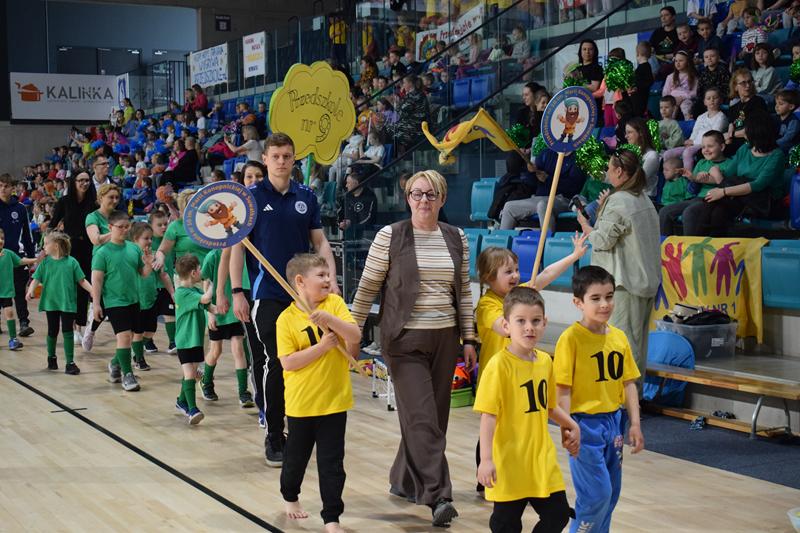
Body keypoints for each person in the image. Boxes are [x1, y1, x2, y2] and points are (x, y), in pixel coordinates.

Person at [350, 170, 475, 527]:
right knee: (421, 417)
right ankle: (438, 496)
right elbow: (367, 288)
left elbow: (464, 291)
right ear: (407, 198)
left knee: (434, 419)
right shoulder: (390, 236)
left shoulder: (456, 237)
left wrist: (469, 338)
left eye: (431, 194)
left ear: (442, 199)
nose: (424, 200)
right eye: (417, 194)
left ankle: (404, 479)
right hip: (404, 341)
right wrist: (352, 333)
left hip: (445, 338)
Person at [229, 133, 339, 466]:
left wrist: (331, 280)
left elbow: (320, 243)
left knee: (310, 360)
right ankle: (274, 435)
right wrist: (237, 291)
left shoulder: (306, 196)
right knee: (278, 362)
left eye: (287, 156)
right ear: (265, 159)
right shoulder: (249, 198)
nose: (281, 161)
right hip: (267, 295)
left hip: (304, 296)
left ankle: (303, 426)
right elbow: (237, 248)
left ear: (294, 159)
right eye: (275, 156)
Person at [475, 286, 580, 533]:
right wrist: (486, 460)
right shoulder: (498, 366)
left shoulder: (544, 361)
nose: (529, 327)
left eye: (535, 321)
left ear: (545, 323)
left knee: (558, 515)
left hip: (541, 460)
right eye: (520, 321)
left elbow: (549, 406)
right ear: (506, 325)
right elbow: (488, 417)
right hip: (510, 462)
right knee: (506, 524)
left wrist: (571, 423)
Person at [554, 265, 645, 533]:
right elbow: (563, 389)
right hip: (584, 426)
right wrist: (567, 427)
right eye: (595, 298)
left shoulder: (619, 337)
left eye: (609, 296)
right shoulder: (570, 339)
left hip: (614, 423)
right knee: (596, 495)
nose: (604, 304)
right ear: (578, 303)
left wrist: (635, 424)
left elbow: (628, 383)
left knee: (611, 493)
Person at [276, 253, 360, 533]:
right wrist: (322, 348)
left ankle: (332, 517)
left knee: (332, 463)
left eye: (328, 275)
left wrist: (330, 319)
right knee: (295, 459)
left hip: (335, 401)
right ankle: (290, 496)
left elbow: (355, 336)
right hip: (301, 403)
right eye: (321, 275)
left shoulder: (334, 304)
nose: (328, 280)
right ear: (300, 281)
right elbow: (289, 363)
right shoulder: (286, 319)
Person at [577, 149, 660, 379]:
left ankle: (623, 398)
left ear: (620, 171)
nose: (607, 172)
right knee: (637, 347)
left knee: (621, 347)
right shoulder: (643, 198)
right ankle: (634, 396)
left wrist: (586, 227)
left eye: (609, 169)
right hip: (644, 280)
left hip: (625, 284)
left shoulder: (619, 200)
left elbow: (602, 240)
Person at [686, 113, 787, 235]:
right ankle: (703, 243)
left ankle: (702, 241)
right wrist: (705, 175)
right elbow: (727, 175)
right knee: (716, 210)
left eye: (746, 129)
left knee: (714, 208)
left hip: (764, 201)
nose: (743, 132)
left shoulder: (777, 155)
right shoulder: (745, 149)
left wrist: (723, 192)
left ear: (757, 131)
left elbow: (758, 185)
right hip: (740, 196)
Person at [91, 210, 152, 392]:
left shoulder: (134, 248)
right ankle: (128, 374)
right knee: (124, 337)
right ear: (110, 227)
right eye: (121, 227)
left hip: (133, 300)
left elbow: (143, 274)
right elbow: (97, 280)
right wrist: (96, 304)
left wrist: (149, 263)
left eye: (127, 227)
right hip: (114, 302)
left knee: (131, 337)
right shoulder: (102, 253)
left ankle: (115, 363)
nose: (125, 230)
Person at [27, 231, 92, 374]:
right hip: (51, 303)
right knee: (52, 330)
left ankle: (70, 363)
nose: (43, 247)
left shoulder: (72, 262)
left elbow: (82, 280)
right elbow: (36, 279)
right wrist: (30, 291)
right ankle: (51, 358)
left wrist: (92, 290)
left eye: (46, 244)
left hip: (67, 303)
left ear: (56, 246)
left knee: (68, 331)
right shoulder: (45, 263)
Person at [200, 248, 255, 408]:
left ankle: (243, 392)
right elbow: (206, 282)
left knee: (239, 350)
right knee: (215, 351)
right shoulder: (213, 256)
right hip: (217, 309)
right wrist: (209, 311)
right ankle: (206, 382)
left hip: (235, 309)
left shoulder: (244, 254)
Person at [659, 130, 729, 235]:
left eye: (710, 146)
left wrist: (710, 177)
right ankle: (666, 244)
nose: (706, 150)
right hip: (697, 199)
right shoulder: (701, 163)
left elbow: (727, 186)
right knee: (664, 212)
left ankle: (689, 245)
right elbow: (692, 190)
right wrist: (694, 180)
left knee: (689, 213)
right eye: (703, 147)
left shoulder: (730, 164)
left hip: (714, 201)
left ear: (722, 147)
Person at [499, 148, 587, 230]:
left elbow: (574, 187)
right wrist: (530, 171)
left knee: (543, 205)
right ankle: (500, 241)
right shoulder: (546, 153)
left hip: (563, 199)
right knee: (509, 207)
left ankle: (546, 240)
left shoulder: (578, 158)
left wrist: (548, 179)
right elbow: (531, 183)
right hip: (539, 198)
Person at [173, 254, 215, 425]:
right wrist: (214, 283)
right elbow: (206, 299)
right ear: (193, 273)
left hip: (196, 340)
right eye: (199, 269)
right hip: (184, 340)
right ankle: (192, 410)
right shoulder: (181, 293)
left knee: (191, 374)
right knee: (190, 374)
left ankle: (181, 401)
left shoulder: (195, 291)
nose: (201, 272)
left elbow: (211, 307)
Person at [81, 182, 122, 351]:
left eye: (117, 197)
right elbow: (95, 240)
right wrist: (116, 232)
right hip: (102, 263)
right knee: (103, 302)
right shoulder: (93, 217)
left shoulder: (119, 215)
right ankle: (91, 330)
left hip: (120, 260)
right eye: (111, 197)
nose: (115, 200)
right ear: (101, 198)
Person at [130, 222, 173, 371]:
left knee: (150, 331)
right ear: (135, 239)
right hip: (135, 301)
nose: (149, 241)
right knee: (138, 332)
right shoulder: (130, 255)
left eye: (151, 238)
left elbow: (164, 275)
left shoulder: (154, 256)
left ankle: (135, 350)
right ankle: (139, 359)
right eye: (146, 238)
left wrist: (172, 293)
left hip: (151, 300)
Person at [0, 173, 35, 337]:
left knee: (20, 291)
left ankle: (24, 323)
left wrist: (31, 257)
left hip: (17, 257)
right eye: (0, 186)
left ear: (12, 188)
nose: (2, 189)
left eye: (6, 186)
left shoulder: (20, 208)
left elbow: (27, 234)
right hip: (0, 259)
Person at [667, 87, 728, 171]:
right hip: (694, 144)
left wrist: (693, 142)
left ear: (721, 100)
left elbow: (714, 137)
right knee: (668, 154)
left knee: (687, 152)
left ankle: (688, 176)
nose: (712, 100)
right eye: (708, 98)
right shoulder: (701, 117)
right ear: (704, 102)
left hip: (706, 145)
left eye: (715, 98)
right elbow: (695, 132)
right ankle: (672, 177)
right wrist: (691, 140)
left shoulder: (721, 117)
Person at [0, 228, 38, 350]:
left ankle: (13, 339)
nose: (1, 241)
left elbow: (21, 261)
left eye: (2, 238)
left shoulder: (8, 253)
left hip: (5, 291)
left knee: (10, 313)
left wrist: (36, 259)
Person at [147, 210, 177, 353]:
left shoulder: (170, 240)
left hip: (167, 285)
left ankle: (172, 342)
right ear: (150, 226)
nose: (164, 227)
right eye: (159, 225)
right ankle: (148, 341)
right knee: (150, 317)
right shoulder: (147, 242)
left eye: (165, 224)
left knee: (170, 314)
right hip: (150, 287)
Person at [724, 68, 768, 156]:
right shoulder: (733, 108)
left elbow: (752, 131)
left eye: (750, 82)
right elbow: (730, 132)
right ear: (735, 87)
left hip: (751, 144)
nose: (748, 86)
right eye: (743, 83)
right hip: (735, 145)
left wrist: (731, 134)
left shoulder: (758, 102)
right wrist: (728, 137)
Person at [384, 74, 431, 156]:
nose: (403, 85)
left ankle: (401, 153)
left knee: (389, 127)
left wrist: (393, 103)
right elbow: (401, 111)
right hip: (409, 121)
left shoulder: (416, 95)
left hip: (417, 124)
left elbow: (401, 112)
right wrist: (395, 103)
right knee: (387, 125)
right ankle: (399, 152)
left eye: (404, 82)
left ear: (410, 84)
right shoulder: (410, 95)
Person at [623, 118, 660, 198]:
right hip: (629, 195)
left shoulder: (652, 156)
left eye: (629, 132)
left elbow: (637, 181)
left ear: (641, 133)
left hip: (645, 198)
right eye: (626, 133)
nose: (626, 136)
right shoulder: (629, 153)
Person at [662, 51, 698, 119]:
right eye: (676, 61)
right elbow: (665, 92)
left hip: (686, 99)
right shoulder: (670, 77)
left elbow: (694, 92)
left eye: (681, 61)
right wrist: (672, 100)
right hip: (672, 99)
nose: (678, 63)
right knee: (670, 109)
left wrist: (682, 98)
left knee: (686, 107)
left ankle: (688, 122)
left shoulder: (693, 77)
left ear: (687, 62)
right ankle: (668, 123)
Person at [775, 89, 800, 153]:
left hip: (790, 145)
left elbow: (787, 138)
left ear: (791, 107)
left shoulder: (794, 121)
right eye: (776, 103)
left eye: (780, 104)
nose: (776, 106)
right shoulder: (775, 117)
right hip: (776, 142)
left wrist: (773, 144)